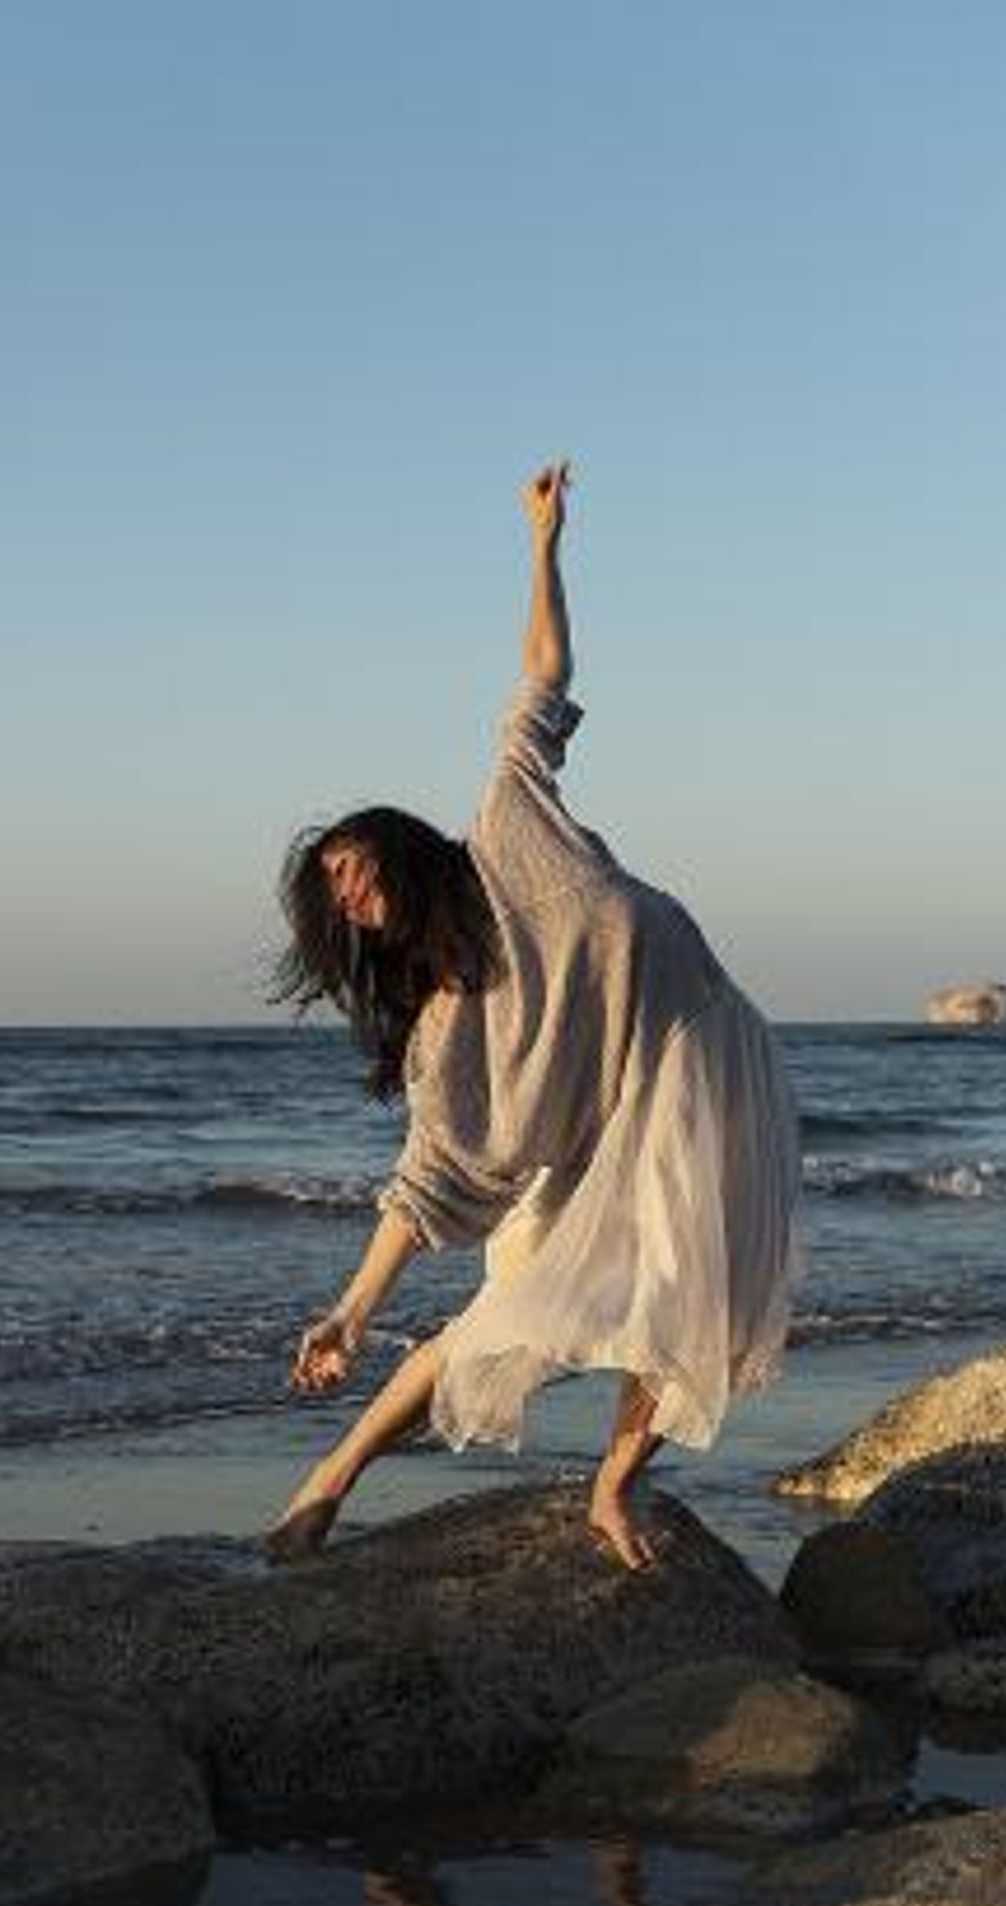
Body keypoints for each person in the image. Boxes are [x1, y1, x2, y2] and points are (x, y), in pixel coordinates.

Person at [268, 463, 800, 1569]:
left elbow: (542, 674)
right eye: (336, 901)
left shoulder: (508, 821)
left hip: (690, 1046)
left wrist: (543, 544)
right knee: (506, 1319)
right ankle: (330, 1477)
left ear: (394, 842)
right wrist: (347, 1314)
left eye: (351, 869)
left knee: (680, 1291)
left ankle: (611, 1489)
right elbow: (428, 1179)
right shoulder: (443, 1027)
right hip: (601, 1112)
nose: (351, 897)